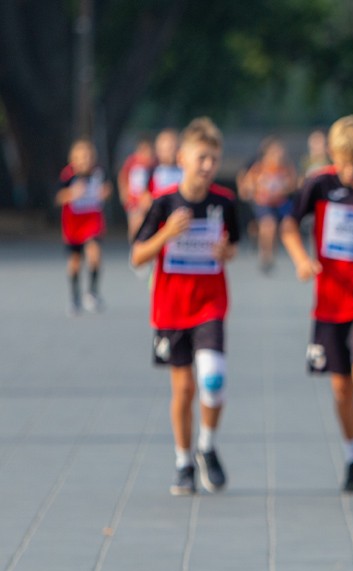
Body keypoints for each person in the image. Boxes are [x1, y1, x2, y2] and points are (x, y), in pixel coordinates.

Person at [280, 115, 353, 494]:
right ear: (333, 155)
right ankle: (352, 456)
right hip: (330, 302)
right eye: (343, 162)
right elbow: (289, 225)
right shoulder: (319, 183)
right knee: (341, 387)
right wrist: (301, 258)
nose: (350, 171)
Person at [131, 117, 240, 496]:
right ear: (182, 158)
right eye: (201, 157)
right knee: (183, 390)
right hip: (171, 308)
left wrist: (225, 251)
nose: (208, 166)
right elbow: (137, 256)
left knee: (213, 379)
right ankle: (183, 461)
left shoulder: (224, 202)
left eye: (213, 158)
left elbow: (233, 247)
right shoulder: (163, 203)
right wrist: (166, 235)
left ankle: (207, 446)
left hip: (210, 303)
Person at [56, 139, 111, 315]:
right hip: (73, 226)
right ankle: (74, 297)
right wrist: (72, 193)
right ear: (73, 159)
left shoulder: (99, 173)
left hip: (92, 223)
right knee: (74, 262)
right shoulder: (68, 176)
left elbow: (107, 189)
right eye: (80, 157)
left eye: (88, 157)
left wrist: (105, 192)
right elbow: (58, 197)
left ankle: (92, 292)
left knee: (95, 254)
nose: (84, 161)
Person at [240, 136, 298, 271]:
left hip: (281, 202)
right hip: (264, 202)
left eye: (280, 151)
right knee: (268, 225)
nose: (278, 155)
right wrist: (259, 188)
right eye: (275, 151)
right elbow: (247, 184)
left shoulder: (286, 168)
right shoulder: (259, 167)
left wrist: (284, 187)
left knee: (289, 225)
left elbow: (293, 184)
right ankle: (266, 255)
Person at [117, 134, 155, 240]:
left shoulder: (153, 164)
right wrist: (123, 192)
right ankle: (135, 248)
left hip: (147, 200)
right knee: (135, 226)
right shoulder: (132, 162)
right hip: (133, 200)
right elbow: (123, 176)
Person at [147, 128, 182, 196]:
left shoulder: (185, 172)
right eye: (166, 149)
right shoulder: (150, 175)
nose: (170, 153)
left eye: (172, 148)